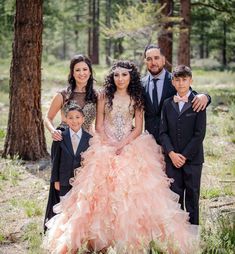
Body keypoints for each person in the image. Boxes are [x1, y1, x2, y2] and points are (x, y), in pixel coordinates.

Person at [44, 60, 199, 254]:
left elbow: (139, 127)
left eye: (124, 75)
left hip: (130, 145)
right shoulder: (104, 96)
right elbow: (99, 125)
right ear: (112, 77)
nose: (120, 79)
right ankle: (97, 242)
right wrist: (108, 143)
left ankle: (138, 242)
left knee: (133, 196)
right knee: (98, 196)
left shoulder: (137, 97)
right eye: (116, 75)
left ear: (131, 76)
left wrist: (122, 144)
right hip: (105, 145)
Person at [44, 54, 97, 231]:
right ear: (72, 73)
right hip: (64, 144)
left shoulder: (95, 96)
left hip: (86, 146)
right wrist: (53, 132)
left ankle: (79, 229)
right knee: (61, 184)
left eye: (84, 69)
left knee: (83, 187)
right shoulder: (63, 95)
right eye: (77, 70)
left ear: (90, 72)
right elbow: (48, 118)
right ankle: (57, 229)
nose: (81, 73)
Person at [159, 65, 206, 225]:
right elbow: (163, 132)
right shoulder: (167, 104)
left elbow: (199, 134)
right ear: (172, 82)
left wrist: (184, 156)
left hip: (193, 160)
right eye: (177, 80)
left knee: (193, 196)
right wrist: (171, 153)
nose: (181, 83)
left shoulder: (198, 103)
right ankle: (177, 236)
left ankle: (193, 235)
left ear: (190, 80)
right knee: (175, 197)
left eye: (184, 79)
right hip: (172, 160)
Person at [142, 44, 210, 144]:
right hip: (149, 141)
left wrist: (206, 96)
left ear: (163, 60)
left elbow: (191, 95)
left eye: (156, 58)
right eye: (149, 59)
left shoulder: (175, 80)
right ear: (145, 62)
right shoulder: (141, 84)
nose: (153, 62)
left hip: (172, 142)